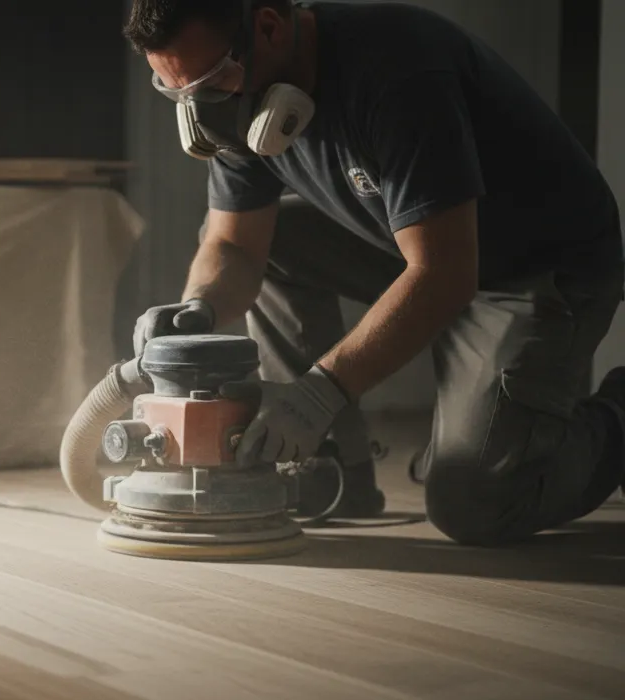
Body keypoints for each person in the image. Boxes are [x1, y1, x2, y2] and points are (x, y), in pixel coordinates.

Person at [125, 0, 625, 544]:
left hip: (535, 269)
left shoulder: (399, 70)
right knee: (278, 241)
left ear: (267, 26)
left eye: (212, 81)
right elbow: (235, 246)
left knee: (473, 502)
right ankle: (333, 470)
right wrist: (199, 307)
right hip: (418, 246)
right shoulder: (232, 98)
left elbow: (444, 275)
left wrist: (320, 392)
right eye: (177, 91)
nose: (200, 107)